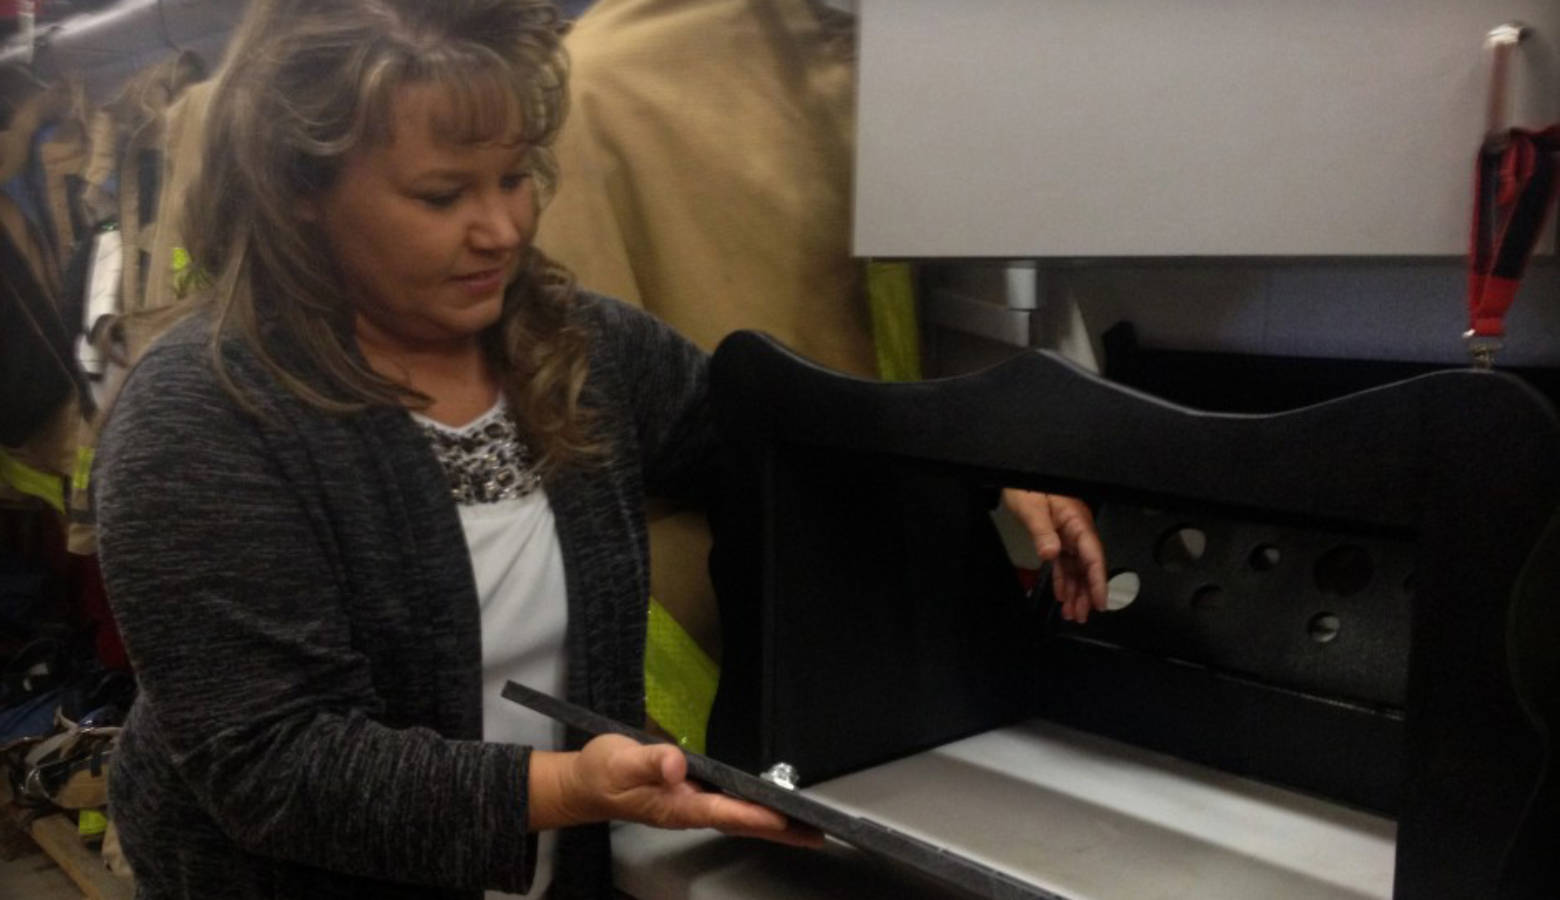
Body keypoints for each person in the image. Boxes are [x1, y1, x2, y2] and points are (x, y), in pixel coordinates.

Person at [91, 1, 1109, 898]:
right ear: (298, 189)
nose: (500, 230)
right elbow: (277, 768)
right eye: (443, 196)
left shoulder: (577, 346)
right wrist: (569, 786)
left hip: (557, 866)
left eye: (515, 177)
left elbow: (781, 439)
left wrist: (979, 465)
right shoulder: (203, 419)